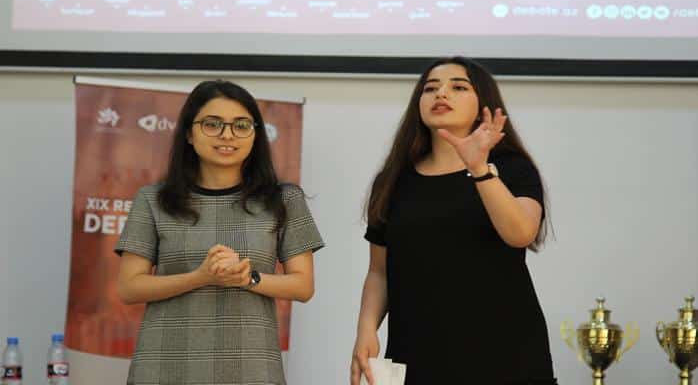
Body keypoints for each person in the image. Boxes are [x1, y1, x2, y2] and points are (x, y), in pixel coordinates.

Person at [351, 57, 557, 385]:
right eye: (430, 88)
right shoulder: (394, 180)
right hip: (417, 354)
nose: (441, 94)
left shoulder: (512, 168)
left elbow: (521, 233)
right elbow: (379, 271)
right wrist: (366, 329)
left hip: (504, 355)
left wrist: (479, 169)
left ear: (483, 104)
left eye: (458, 87)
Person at [116, 80, 324, 385]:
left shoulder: (284, 200)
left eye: (241, 125)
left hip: (251, 366)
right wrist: (200, 277)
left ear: (255, 134)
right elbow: (129, 287)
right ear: (189, 133)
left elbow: (303, 286)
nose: (228, 135)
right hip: (165, 364)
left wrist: (247, 278)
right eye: (212, 124)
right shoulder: (153, 200)